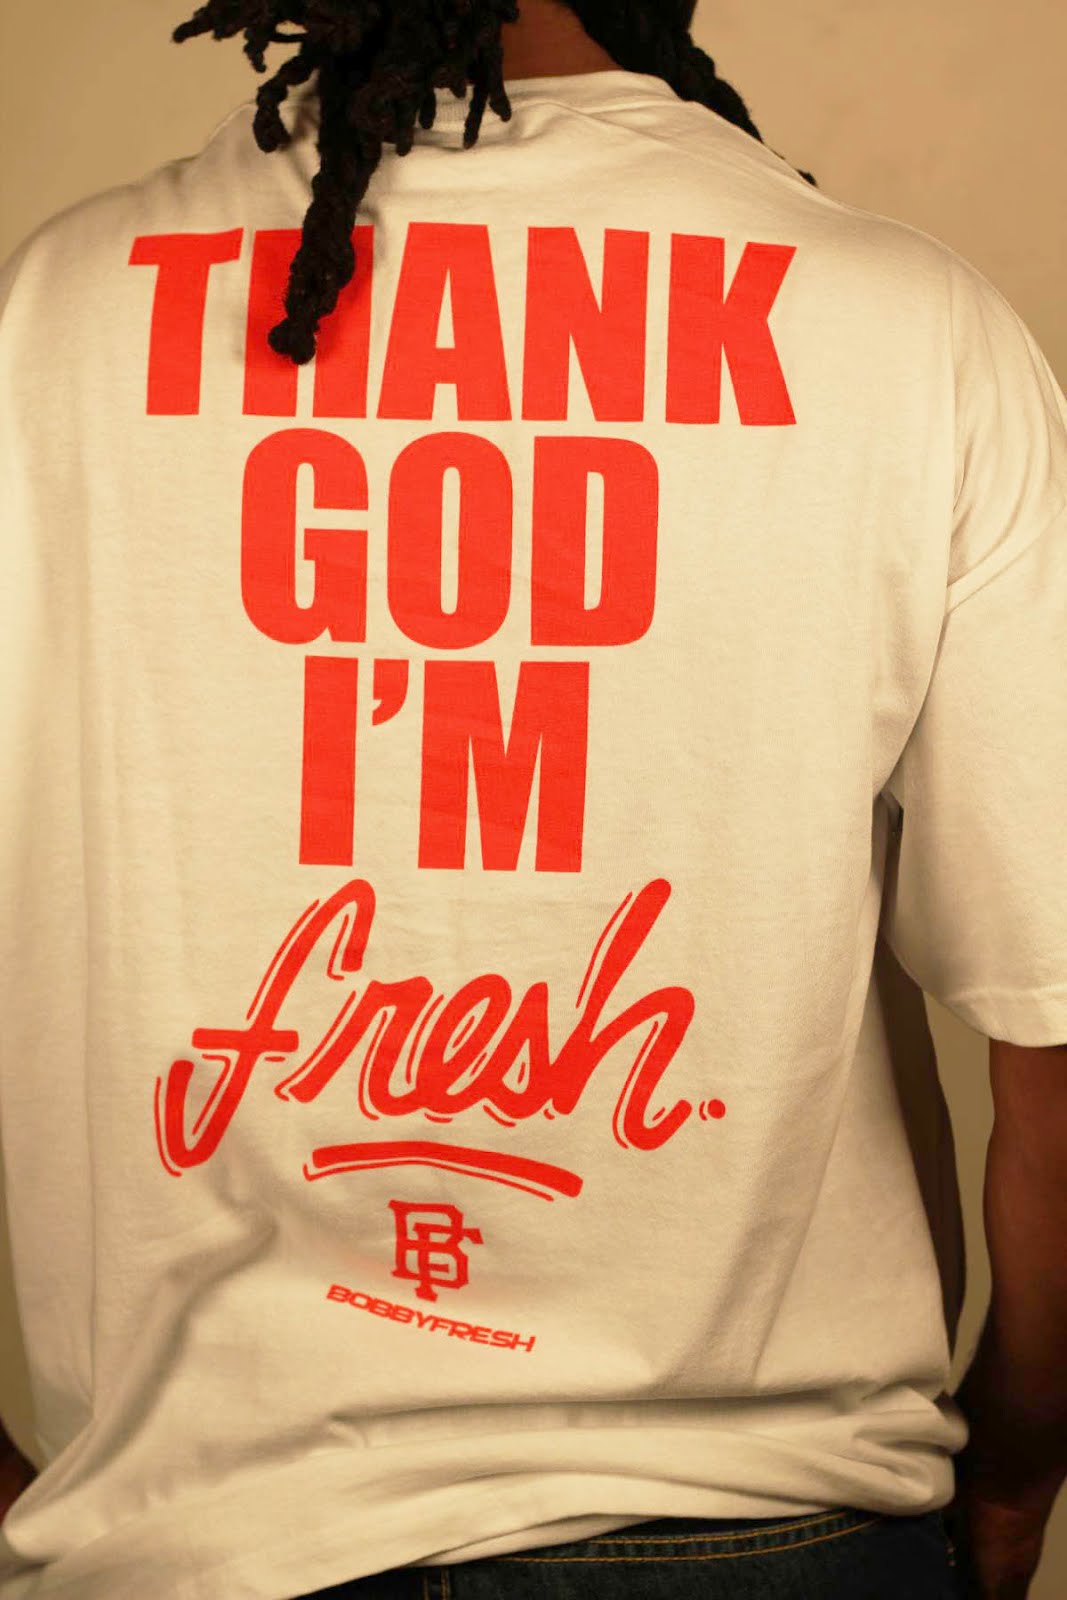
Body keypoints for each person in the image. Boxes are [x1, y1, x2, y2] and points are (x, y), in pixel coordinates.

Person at [0, 0, 1063, 1596]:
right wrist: (1020, 1467)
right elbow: (1054, 1040)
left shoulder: (48, 322)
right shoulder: (912, 331)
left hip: (192, 1546)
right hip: (777, 1524)